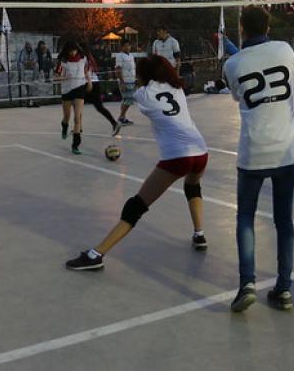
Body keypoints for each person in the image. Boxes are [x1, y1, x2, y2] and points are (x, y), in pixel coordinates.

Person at [65, 54, 209, 271]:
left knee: (136, 206)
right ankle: (199, 234)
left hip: (177, 156)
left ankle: (96, 255)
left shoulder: (144, 94)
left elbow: (131, 97)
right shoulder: (177, 89)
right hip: (201, 151)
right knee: (193, 185)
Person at [223, 6, 294, 313]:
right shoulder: (286, 50)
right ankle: (284, 288)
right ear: (268, 26)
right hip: (286, 149)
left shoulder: (232, 64)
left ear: (242, 28)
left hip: (253, 150)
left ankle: (247, 284)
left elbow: (238, 95)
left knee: (245, 217)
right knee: (283, 220)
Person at [56, 41, 92, 155]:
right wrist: (62, 78)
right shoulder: (63, 61)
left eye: (74, 50)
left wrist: (89, 81)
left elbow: (86, 71)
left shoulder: (83, 58)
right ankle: (64, 126)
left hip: (79, 89)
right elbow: (57, 75)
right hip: (67, 90)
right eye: (70, 50)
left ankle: (75, 145)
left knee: (77, 118)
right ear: (67, 50)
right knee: (67, 117)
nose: (73, 52)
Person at [79, 42, 121, 136]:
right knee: (99, 107)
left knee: (78, 105)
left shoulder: (82, 58)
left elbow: (85, 71)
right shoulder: (89, 57)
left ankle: (78, 128)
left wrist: (88, 83)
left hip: (88, 83)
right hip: (96, 82)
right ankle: (114, 123)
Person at [115, 40, 136, 126]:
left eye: (129, 45)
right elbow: (118, 70)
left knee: (126, 100)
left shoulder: (131, 55)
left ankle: (122, 118)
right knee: (129, 99)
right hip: (125, 81)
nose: (127, 47)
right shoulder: (119, 56)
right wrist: (122, 82)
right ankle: (120, 118)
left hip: (131, 80)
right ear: (122, 47)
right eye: (125, 46)